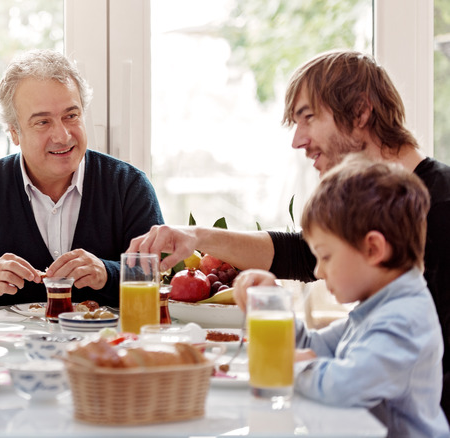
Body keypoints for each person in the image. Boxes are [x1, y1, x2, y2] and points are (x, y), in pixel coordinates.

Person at [126, 49, 450, 418]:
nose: (298, 140)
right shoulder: (371, 219)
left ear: (360, 112)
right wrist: (198, 238)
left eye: (308, 118)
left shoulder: (441, 208)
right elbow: (300, 254)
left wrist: (300, 364)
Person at [231, 156, 449, 438]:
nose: (318, 271)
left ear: (373, 249)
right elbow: (314, 345)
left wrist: (298, 366)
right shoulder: (378, 307)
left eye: (325, 256)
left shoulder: (404, 319)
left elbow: (345, 387)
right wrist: (272, 303)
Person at [0, 49, 163, 309]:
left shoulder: (129, 187)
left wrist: (106, 274)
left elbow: (162, 282)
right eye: (42, 122)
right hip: (7, 347)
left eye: (71, 116)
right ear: (14, 133)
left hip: (108, 346)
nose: (62, 136)